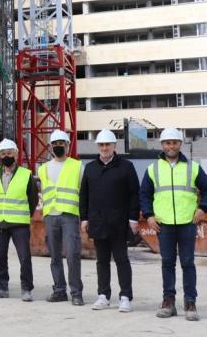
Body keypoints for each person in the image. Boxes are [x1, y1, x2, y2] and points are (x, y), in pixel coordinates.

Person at [140, 128, 207, 321]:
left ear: (180, 144)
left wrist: (203, 209)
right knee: (167, 263)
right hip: (163, 224)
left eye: (174, 142)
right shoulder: (153, 168)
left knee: (188, 263)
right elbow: (145, 195)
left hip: (187, 222)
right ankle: (168, 301)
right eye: (167, 143)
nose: (171, 146)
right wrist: (148, 216)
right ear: (162, 145)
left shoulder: (193, 167)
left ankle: (190, 302)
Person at [80, 129, 138, 313]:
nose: (104, 148)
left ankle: (125, 297)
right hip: (98, 222)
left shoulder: (126, 167)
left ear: (115, 146)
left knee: (122, 259)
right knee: (101, 260)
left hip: (119, 222)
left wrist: (133, 218)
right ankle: (103, 295)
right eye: (101, 145)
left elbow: (134, 194)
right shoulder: (90, 168)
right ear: (98, 146)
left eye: (108, 145)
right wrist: (84, 218)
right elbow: (84, 196)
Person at [0, 139, 37, 301]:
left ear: (15, 154)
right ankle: (1, 287)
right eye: (3, 154)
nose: (6, 156)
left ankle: (26, 289)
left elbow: (33, 199)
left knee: (24, 257)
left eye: (9, 153)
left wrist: (24, 214)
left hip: (19, 223)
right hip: (0, 221)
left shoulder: (25, 174)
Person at [39, 130, 84, 306]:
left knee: (73, 254)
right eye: (55, 144)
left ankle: (76, 292)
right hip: (51, 215)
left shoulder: (77, 166)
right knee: (55, 256)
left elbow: (83, 192)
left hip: (70, 215)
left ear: (67, 145)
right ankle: (59, 290)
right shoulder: (43, 168)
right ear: (51, 146)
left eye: (61, 143)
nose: (58, 146)